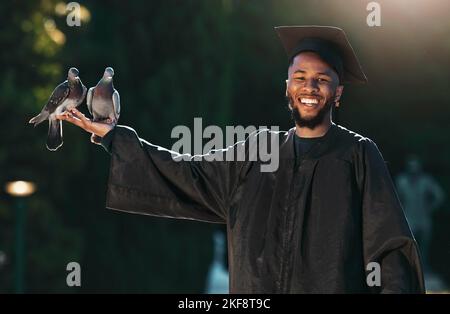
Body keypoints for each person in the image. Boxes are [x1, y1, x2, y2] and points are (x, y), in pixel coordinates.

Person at [57, 25, 424, 293]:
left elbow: (390, 250)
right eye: (299, 77)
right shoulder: (255, 152)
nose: (309, 88)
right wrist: (116, 138)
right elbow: (188, 173)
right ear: (287, 87)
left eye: (322, 80)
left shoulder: (357, 155)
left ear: (338, 92)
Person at [396, 155, 445, 272]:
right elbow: (396, 198)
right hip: (408, 218)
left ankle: (423, 268)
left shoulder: (426, 181)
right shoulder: (402, 181)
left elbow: (439, 195)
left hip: (423, 217)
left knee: (424, 246)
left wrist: (430, 208)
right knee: (408, 244)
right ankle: (409, 267)